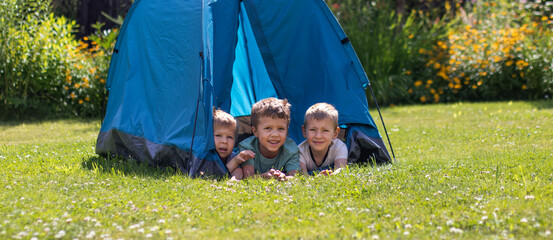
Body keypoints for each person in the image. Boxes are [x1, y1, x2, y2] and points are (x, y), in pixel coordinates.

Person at [237, 97, 301, 179]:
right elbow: (248, 178)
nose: (275, 134)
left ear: (287, 130)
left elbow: (295, 177)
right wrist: (264, 177)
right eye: (268, 128)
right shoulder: (248, 148)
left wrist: (284, 178)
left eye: (281, 129)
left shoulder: (291, 148)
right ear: (255, 131)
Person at [298, 103, 348, 175]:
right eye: (312, 130)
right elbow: (302, 176)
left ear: (335, 133)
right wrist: (316, 179)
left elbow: (341, 169)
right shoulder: (300, 152)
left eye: (325, 130)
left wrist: (333, 175)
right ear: (304, 131)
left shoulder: (339, 147)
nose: (318, 136)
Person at [213, 108, 249, 180]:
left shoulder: (232, 156)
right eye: (218, 136)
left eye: (229, 137)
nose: (224, 141)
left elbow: (238, 171)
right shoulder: (207, 155)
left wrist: (234, 179)